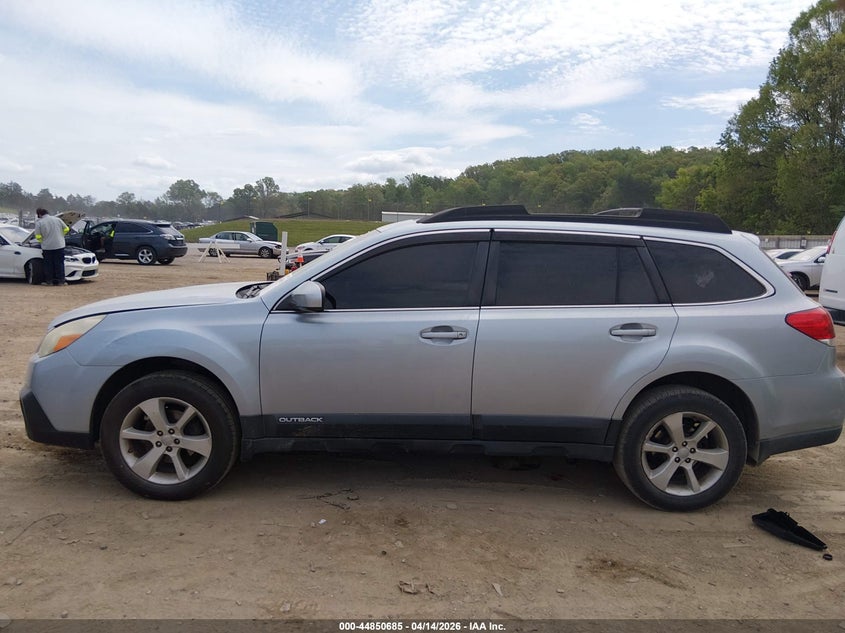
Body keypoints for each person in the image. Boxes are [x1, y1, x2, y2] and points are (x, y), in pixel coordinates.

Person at [34, 208, 69, 286]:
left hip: (47, 247)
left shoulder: (39, 223)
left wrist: (42, 242)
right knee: (59, 263)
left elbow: (38, 236)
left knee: (48, 264)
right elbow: (66, 228)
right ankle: (61, 281)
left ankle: (49, 281)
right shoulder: (57, 219)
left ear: (39, 214)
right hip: (59, 245)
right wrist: (61, 235)